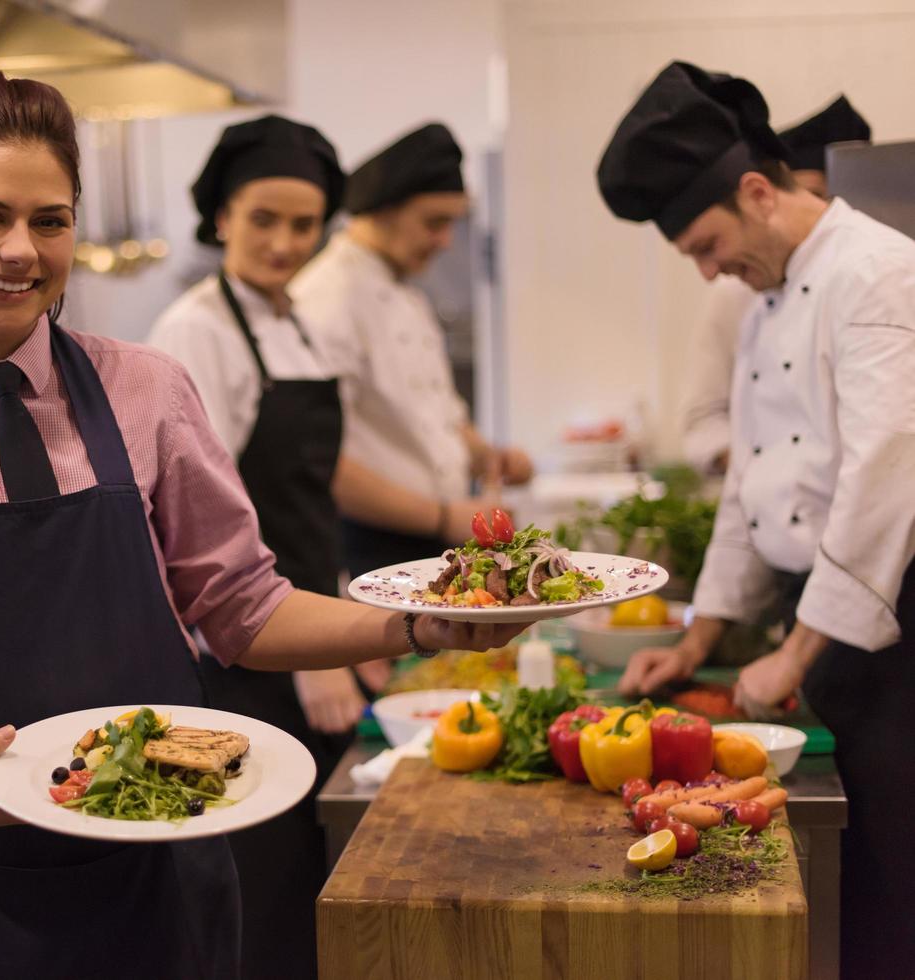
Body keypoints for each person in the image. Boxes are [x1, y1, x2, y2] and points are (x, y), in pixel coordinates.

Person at [0, 72, 523, 980]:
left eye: (50, 220)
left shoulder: (147, 392)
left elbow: (241, 606)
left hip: (157, 875)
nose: (20, 250)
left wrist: (413, 624)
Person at [600, 61, 915, 977]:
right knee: (847, 875)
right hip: (818, 622)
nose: (708, 271)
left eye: (706, 244)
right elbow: (751, 480)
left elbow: (885, 477)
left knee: (894, 879)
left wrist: (798, 649)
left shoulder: (878, 273)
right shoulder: (763, 297)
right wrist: (700, 638)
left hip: (892, 636)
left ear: (754, 192)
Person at [147, 114, 388, 980]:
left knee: (311, 880)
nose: (284, 243)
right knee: (261, 890)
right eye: (263, 220)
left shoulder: (295, 323)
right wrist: (304, 655)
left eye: (302, 224)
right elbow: (194, 522)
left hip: (302, 627)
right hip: (240, 655)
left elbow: (299, 500)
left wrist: (342, 613)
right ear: (219, 216)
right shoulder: (195, 332)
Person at [292, 123, 533, 579]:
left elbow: (435, 410)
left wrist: (485, 455)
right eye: (434, 222)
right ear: (383, 210)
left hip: (430, 534)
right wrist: (445, 517)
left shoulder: (407, 291)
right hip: (370, 545)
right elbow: (321, 462)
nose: (445, 240)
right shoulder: (327, 299)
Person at [679, 96, 872, 473]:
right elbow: (702, 420)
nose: (817, 214)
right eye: (806, 197)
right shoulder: (742, 290)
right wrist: (768, 473)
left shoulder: (871, 274)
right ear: (767, 197)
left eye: (827, 200)